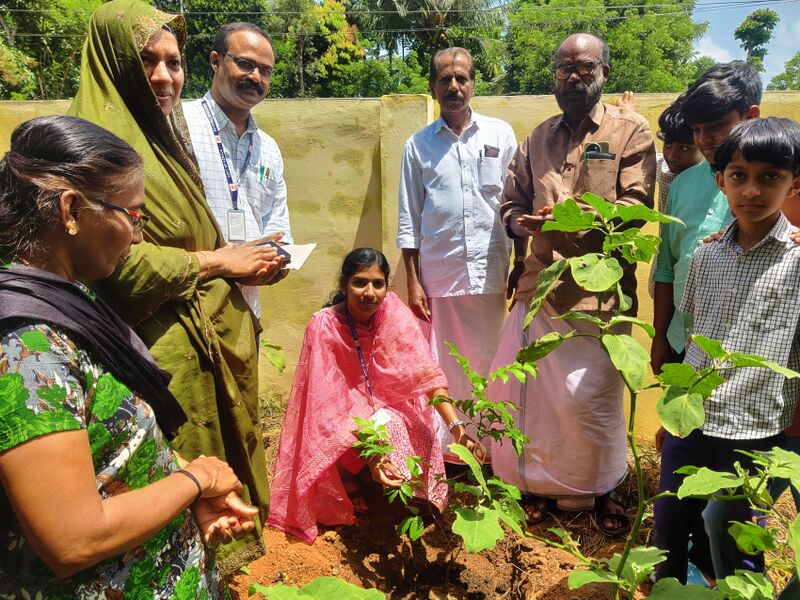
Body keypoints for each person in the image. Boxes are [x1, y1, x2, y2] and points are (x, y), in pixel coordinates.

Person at [0, 114, 259, 598]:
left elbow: (106, 446)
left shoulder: (72, 297)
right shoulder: (26, 348)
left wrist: (175, 497)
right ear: (72, 209)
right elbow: (73, 539)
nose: (139, 237)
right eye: (133, 216)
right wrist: (194, 480)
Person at [69, 0, 282, 571]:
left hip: (203, 332)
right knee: (157, 490)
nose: (164, 76)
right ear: (113, 62)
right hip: (143, 353)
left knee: (207, 492)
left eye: (173, 62)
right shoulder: (90, 148)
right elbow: (119, 270)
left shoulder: (158, 136)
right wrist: (217, 263)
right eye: (147, 61)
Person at [493, 33, 656, 534]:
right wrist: (521, 223)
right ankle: (540, 487)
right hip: (540, 288)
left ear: (605, 72)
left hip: (599, 296)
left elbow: (635, 207)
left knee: (593, 403)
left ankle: (603, 489)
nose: (572, 76)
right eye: (563, 68)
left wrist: (570, 214)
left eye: (584, 67)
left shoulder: (631, 132)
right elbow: (511, 203)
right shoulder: (536, 138)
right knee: (538, 404)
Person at [661, 117, 800, 583]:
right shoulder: (705, 254)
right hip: (694, 416)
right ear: (721, 181)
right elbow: (696, 332)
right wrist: (672, 414)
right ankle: (668, 590)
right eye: (739, 176)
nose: (753, 190)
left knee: (736, 534)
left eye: (770, 177)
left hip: (756, 426)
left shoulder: (797, 262)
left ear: (793, 184)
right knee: (668, 525)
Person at [268, 248, 485, 542]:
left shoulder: (393, 314)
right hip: (338, 417)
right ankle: (351, 478)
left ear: (386, 287)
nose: (369, 293)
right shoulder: (324, 325)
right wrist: (374, 458)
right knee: (377, 425)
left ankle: (402, 493)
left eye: (378, 284)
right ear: (344, 284)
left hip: (385, 409)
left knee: (418, 425)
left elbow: (428, 377)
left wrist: (458, 431)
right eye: (359, 282)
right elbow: (329, 403)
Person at [650, 62, 762, 582]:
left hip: (749, 365)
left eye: (715, 128)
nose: (704, 140)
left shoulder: (781, 185)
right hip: (686, 350)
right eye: (697, 131)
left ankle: (731, 583)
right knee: (674, 488)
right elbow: (668, 266)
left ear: (750, 116)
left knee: (734, 505)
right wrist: (659, 333)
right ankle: (672, 581)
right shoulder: (685, 185)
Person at [397, 47, 518, 459]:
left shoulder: (500, 135)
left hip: (491, 273)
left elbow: (514, 203)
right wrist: (413, 281)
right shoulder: (418, 146)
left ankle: (494, 450)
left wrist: (521, 262)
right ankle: (451, 455)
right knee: (443, 365)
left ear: (473, 83)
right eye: (445, 78)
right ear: (432, 86)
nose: (454, 86)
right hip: (440, 275)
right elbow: (409, 217)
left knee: (491, 363)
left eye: (461, 77)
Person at [183, 22, 292, 318]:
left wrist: (274, 264)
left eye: (265, 71)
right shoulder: (181, 126)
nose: (255, 77)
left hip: (247, 310)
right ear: (216, 61)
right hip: (191, 303)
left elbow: (277, 226)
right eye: (245, 64)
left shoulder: (268, 148)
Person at [646, 100, 704, 296]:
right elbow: (640, 154)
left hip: (700, 274)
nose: (673, 155)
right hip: (664, 270)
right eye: (668, 144)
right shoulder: (664, 169)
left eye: (685, 148)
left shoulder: (716, 180)